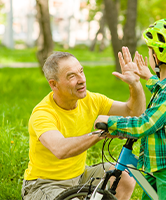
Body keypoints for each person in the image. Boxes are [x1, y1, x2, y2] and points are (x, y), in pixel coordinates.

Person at [21, 47, 146, 200]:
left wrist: (135, 84)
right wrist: (101, 134)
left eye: (81, 71)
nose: (82, 79)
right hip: (45, 184)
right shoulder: (43, 114)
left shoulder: (91, 100)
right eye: (72, 76)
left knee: (124, 178)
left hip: (80, 176)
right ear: (54, 84)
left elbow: (134, 111)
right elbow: (61, 149)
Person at [95, 18, 166, 200]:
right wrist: (148, 76)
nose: (149, 55)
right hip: (156, 166)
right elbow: (162, 89)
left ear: (157, 56)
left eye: (150, 51)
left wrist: (110, 121)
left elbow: (145, 124)